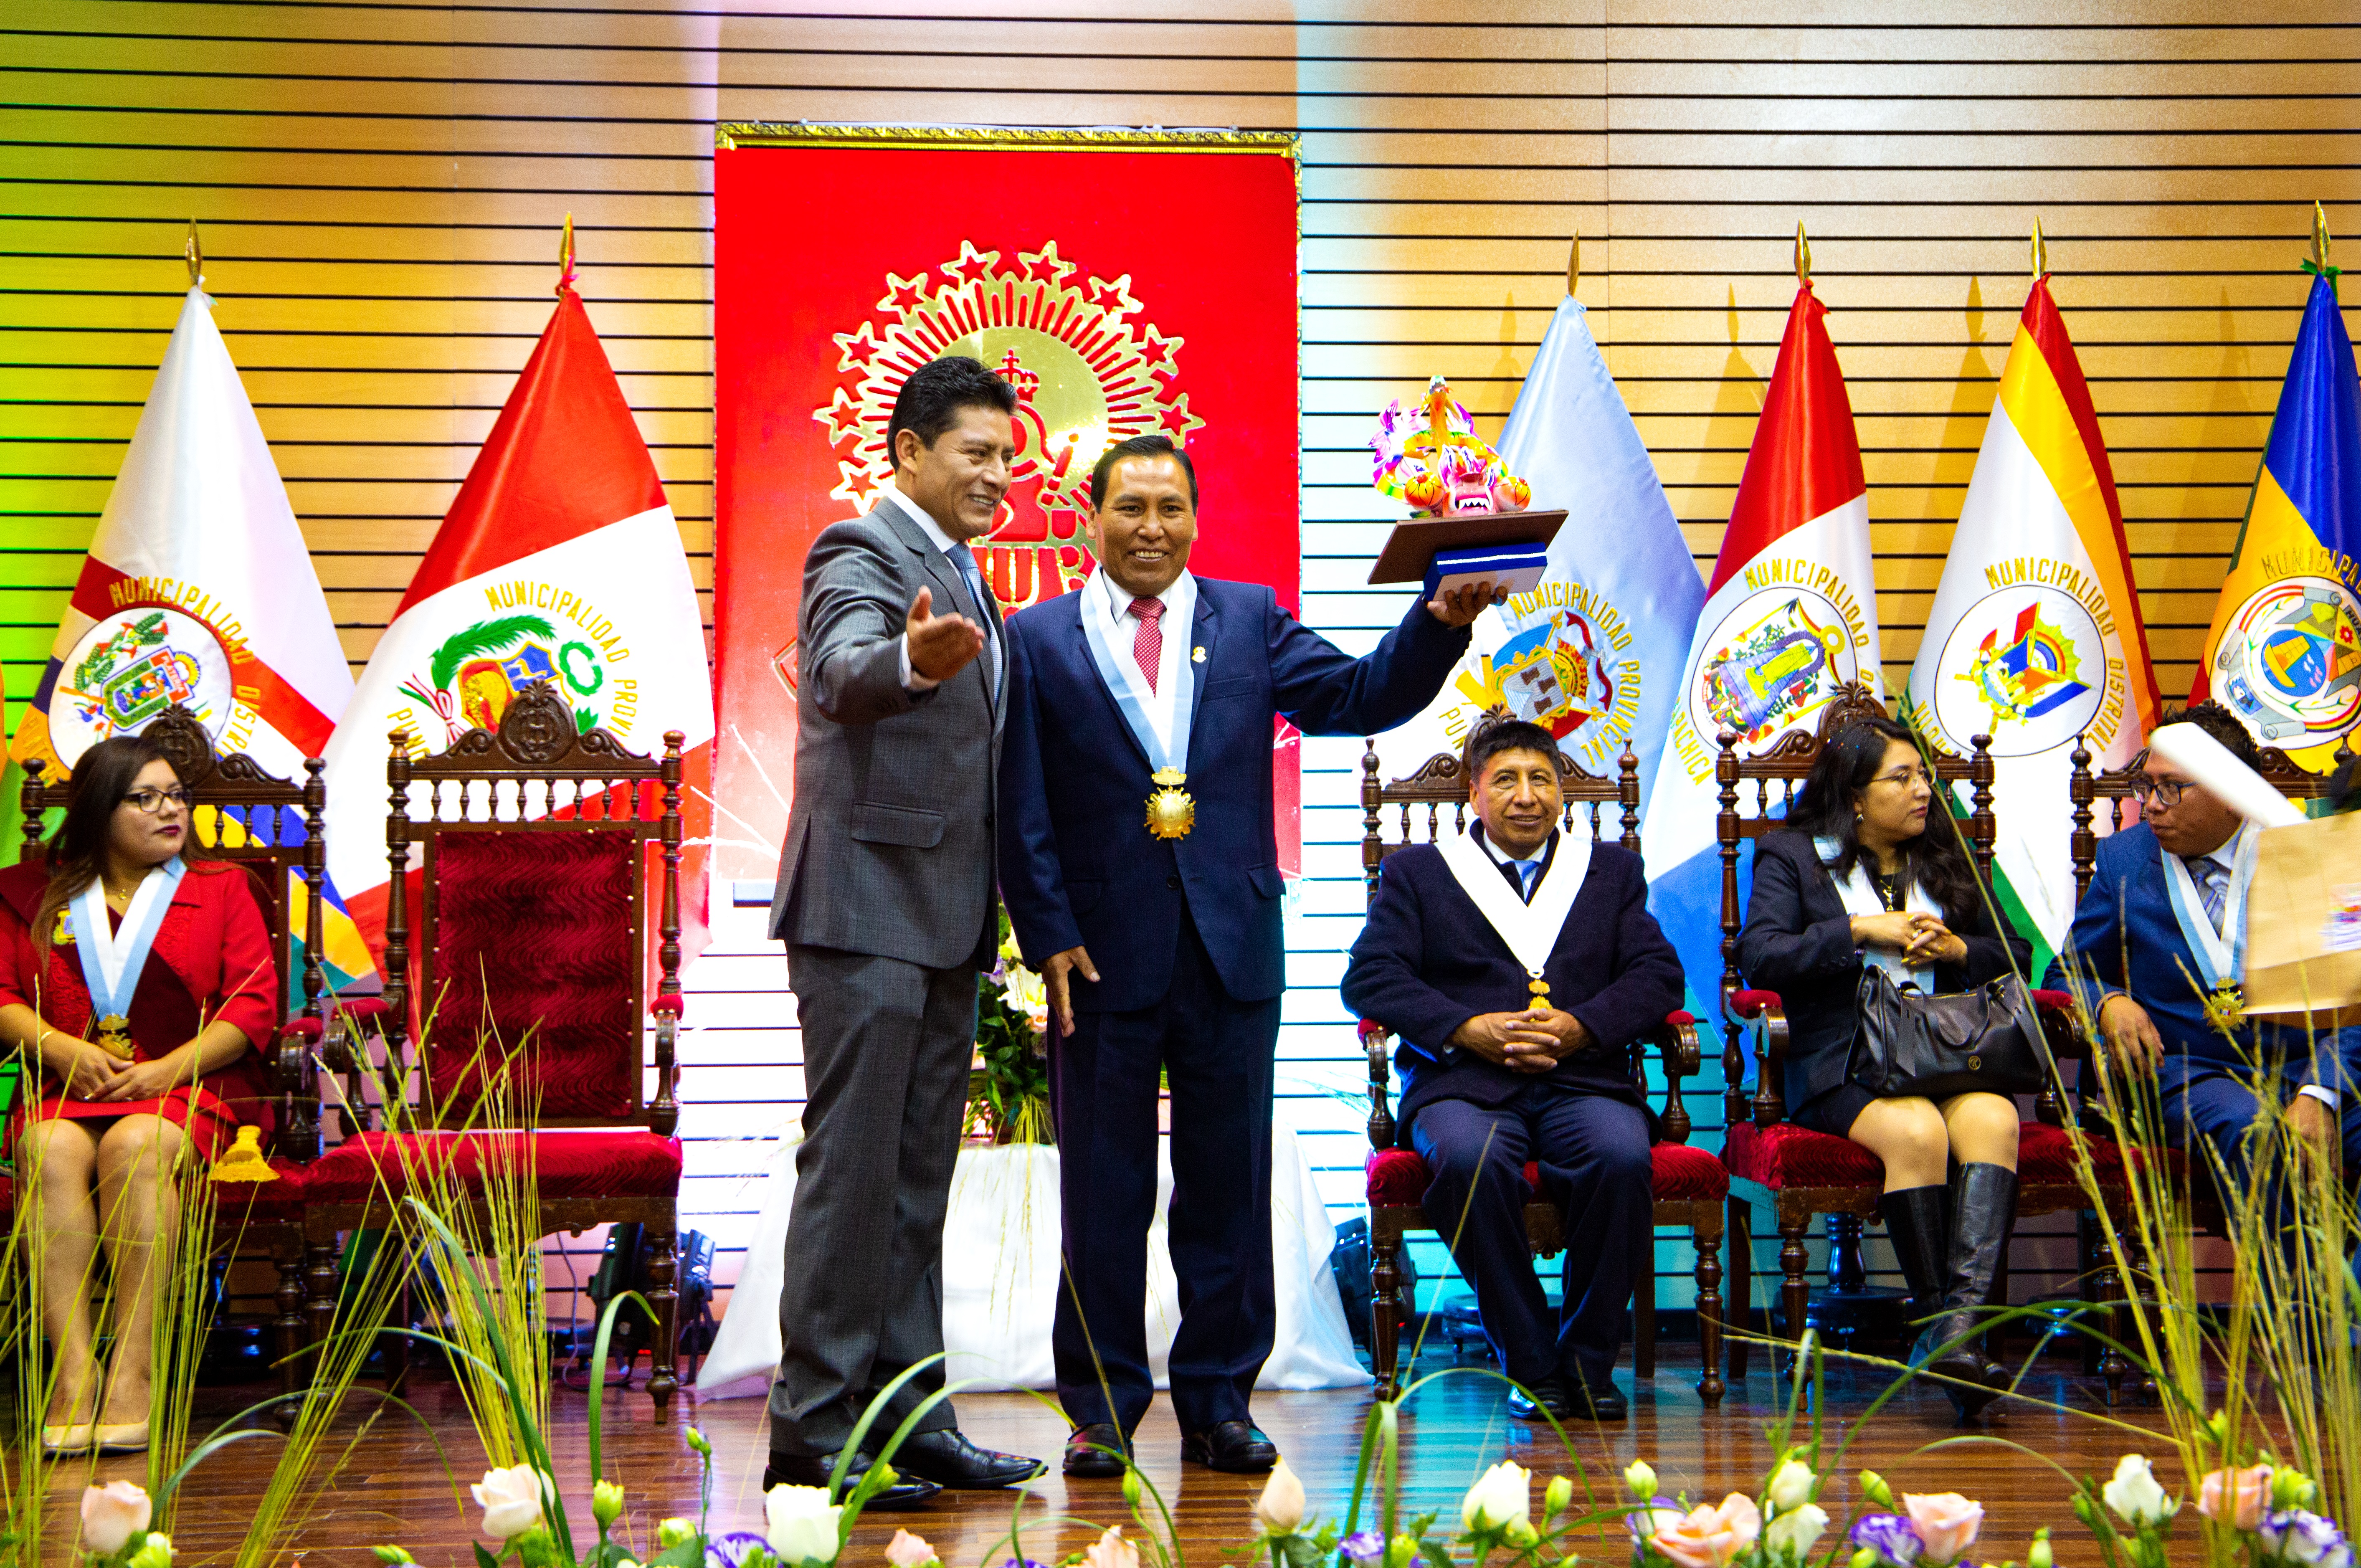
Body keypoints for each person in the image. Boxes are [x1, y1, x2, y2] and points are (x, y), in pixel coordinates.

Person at [998, 433, 1504, 1478]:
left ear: (1195, 517)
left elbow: (1360, 697)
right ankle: (1099, 1411)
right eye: (1129, 508)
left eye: (1170, 509)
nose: (1151, 528)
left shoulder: (1247, 619)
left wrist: (1438, 621)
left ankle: (1220, 1402)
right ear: (1087, 515)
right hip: (1093, 958)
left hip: (1229, 944)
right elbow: (1019, 804)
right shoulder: (1035, 638)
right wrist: (1044, 931)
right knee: (1102, 1192)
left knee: (1225, 1188)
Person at [764, 355, 1042, 1507]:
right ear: (909, 451)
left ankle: (911, 1417)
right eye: (975, 454)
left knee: (916, 1182)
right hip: (865, 913)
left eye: (1005, 459)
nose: (996, 477)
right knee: (854, 1175)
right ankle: (813, 1433)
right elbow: (839, 671)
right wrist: (906, 664)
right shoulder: (860, 551)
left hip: (937, 925)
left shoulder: (961, 571)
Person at [1340, 715, 1684, 1420]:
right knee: (1468, 1162)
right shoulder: (1420, 874)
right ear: (1473, 794)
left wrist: (1579, 1026)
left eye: (1540, 779)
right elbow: (1369, 979)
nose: (1524, 796)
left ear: (1559, 793)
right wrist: (1466, 1030)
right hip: (1462, 1084)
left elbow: (1656, 975)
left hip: (1579, 1077)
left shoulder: (1608, 871)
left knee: (1620, 1158)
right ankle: (1530, 1361)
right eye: (1504, 780)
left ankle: (1588, 1367)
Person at [1735, 715, 2032, 1417]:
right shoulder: (1793, 855)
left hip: (1943, 1054)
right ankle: (1942, 1327)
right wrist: (1858, 931)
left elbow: (2014, 956)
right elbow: (1763, 956)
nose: (1921, 791)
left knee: (1994, 1119)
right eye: (1899, 778)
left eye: (1922, 775)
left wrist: (1958, 950)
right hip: (1839, 1059)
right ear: (1855, 797)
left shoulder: (1943, 854)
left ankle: (1956, 1336)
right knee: (1917, 1136)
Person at [0, 735, 278, 1457]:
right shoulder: (29, 891)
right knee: (46, 1147)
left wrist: (169, 1070)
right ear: (99, 810)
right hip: (71, 1083)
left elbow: (253, 1008)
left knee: (136, 1143)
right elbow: (0, 996)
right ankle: (72, 1378)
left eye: (176, 795)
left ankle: (134, 1369)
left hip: (194, 1087)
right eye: (145, 797)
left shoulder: (222, 887)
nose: (169, 810)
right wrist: (56, 1047)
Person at [2054, 702, 2361, 1237]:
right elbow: (2066, 975)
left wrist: (2319, 1094)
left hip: (2300, 1068)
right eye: (2145, 786)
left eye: (2171, 787)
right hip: (2185, 1075)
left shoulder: (2307, 855)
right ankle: (2296, 1320)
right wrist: (2107, 1002)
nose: (2150, 805)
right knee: (2258, 1134)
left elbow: (2353, 996)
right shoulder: (2124, 861)